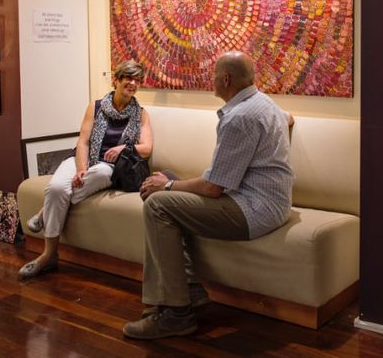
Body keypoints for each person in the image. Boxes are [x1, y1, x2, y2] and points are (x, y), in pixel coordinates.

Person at [122, 51, 293, 339]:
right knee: (169, 181)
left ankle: (176, 313)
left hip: (253, 209)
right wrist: (171, 183)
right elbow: (288, 119)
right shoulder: (263, 103)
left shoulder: (240, 117)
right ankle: (189, 286)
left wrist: (166, 187)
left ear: (225, 79)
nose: (210, 78)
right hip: (270, 200)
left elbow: (214, 188)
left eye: (214, 74)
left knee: (158, 205)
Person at [18, 60, 153, 280]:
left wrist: (122, 148)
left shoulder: (141, 114)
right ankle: (50, 255)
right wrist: (81, 169)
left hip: (110, 167)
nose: (133, 83)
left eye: (137, 79)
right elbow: (83, 142)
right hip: (83, 159)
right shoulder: (96, 107)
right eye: (128, 78)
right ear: (115, 80)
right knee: (55, 189)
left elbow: (146, 149)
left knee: (95, 175)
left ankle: (44, 213)